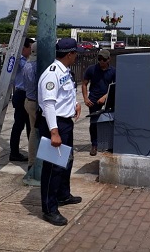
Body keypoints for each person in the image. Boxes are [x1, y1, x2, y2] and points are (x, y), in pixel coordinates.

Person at [37, 38, 82, 226]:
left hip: (65, 122)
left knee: (66, 163)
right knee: (53, 168)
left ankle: (63, 194)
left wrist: (75, 104)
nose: (76, 56)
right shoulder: (52, 74)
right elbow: (48, 104)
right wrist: (54, 132)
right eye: (75, 53)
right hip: (54, 125)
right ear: (70, 54)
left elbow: (65, 95)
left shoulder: (65, 72)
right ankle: (49, 208)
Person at [81, 49, 116, 156]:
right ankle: (94, 144)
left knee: (109, 121)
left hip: (108, 99)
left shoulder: (113, 71)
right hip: (94, 99)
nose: (101, 61)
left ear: (108, 59)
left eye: (104, 59)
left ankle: (109, 143)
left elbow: (115, 85)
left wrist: (105, 97)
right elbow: (84, 84)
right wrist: (86, 98)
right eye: (99, 59)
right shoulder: (92, 69)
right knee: (94, 123)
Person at [9, 38, 35, 162]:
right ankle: (14, 152)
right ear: (23, 48)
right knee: (19, 125)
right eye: (30, 48)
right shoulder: (19, 61)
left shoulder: (29, 60)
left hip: (28, 95)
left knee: (31, 125)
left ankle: (32, 153)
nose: (31, 51)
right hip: (21, 94)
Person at [23, 41, 38, 171]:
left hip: (28, 100)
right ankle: (37, 162)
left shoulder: (28, 63)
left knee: (33, 131)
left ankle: (32, 162)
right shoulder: (36, 65)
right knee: (41, 132)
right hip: (35, 102)